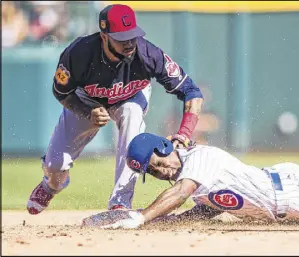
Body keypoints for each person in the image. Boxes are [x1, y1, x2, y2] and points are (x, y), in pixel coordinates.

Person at [26, 4, 203, 215]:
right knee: (56, 163)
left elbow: (192, 92)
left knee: (131, 114)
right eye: (121, 38)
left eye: (132, 36)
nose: (129, 43)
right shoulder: (79, 53)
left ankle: (120, 201)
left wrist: (184, 134)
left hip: (129, 98)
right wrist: (85, 111)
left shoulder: (148, 54)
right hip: (86, 100)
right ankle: (51, 186)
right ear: (104, 36)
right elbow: (61, 92)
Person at [98, 132, 299, 229]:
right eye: (152, 173)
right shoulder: (197, 177)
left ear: (164, 147)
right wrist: (164, 222)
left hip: (293, 193)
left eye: (158, 163)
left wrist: (142, 217)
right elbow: (208, 208)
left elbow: (180, 194)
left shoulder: (198, 157)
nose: (160, 172)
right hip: (283, 200)